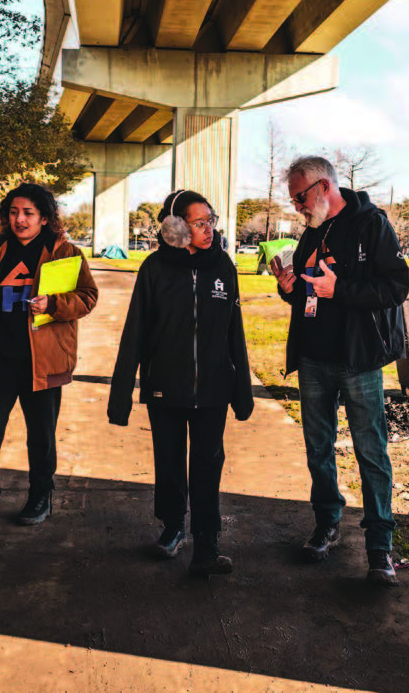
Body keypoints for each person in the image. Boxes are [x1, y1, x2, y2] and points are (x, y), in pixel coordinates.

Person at [272, 156, 409, 586]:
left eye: (298, 196)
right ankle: (327, 522)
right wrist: (289, 289)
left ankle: (379, 547)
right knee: (318, 448)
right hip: (314, 358)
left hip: (359, 360)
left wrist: (341, 289)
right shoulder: (312, 230)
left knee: (371, 452)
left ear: (322, 187)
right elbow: (308, 297)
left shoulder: (372, 224)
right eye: (292, 197)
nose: (295, 205)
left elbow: (396, 286)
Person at [108, 189, 253, 576]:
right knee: (169, 463)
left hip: (213, 390)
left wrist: (242, 390)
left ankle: (207, 544)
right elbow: (135, 332)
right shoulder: (155, 268)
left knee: (208, 464)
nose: (209, 229)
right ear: (176, 227)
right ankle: (173, 527)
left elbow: (232, 331)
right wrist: (121, 396)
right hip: (164, 388)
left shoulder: (223, 267)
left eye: (211, 220)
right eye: (199, 222)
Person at [0, 183, 98, 537]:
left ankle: (40, 496)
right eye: (14, 212)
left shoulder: (64, 252)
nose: (20, 220)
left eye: (29, 213)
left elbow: (87, 297)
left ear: (44, 218)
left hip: (44, 362)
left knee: (41, 435)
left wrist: (54, 304)